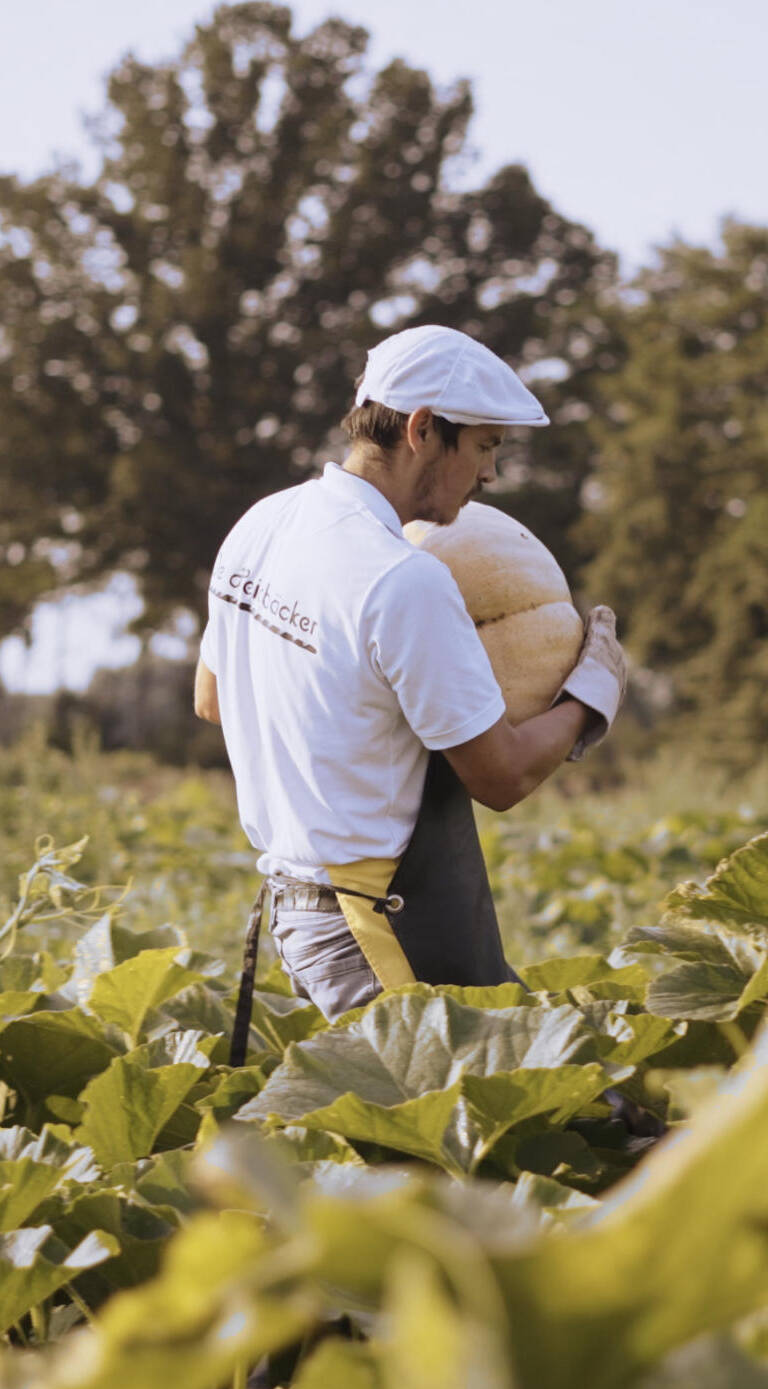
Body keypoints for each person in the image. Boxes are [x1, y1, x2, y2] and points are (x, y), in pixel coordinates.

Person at [193, 325, 625, 1034]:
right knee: (550, 1126)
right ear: (424, 430)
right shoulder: (404, 580)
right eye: (485, 447)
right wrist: (592, 691)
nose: (491, 475)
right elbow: (503, 778)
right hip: (380, 930)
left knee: (560, 1110)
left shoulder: (265, 522)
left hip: (304, 912)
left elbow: (212, 698)